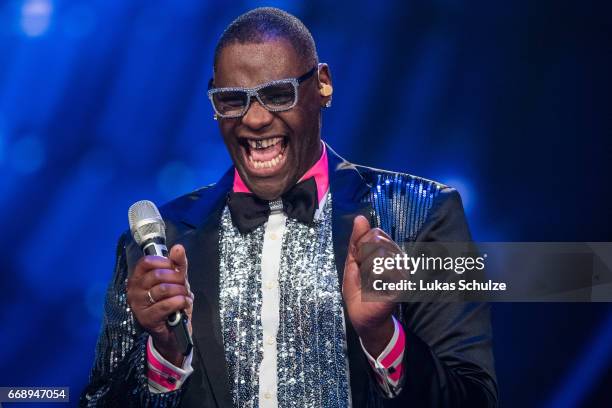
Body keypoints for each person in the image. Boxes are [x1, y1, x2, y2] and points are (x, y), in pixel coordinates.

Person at [80, 7, 497, 408]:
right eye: (232, 100)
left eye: (278, 94)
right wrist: (164, 356)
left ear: (323, 86)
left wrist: (382, 335)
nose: (255, 119)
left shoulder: (422, 216)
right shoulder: (158, 244)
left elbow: (474, 398)